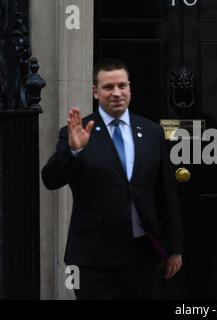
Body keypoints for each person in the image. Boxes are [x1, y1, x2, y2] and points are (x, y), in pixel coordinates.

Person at [42, 58, 183, 299]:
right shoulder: (77, 132)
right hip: (94, 257)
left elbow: (166, 192)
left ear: (130, 88)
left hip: (143, 255)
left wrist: (175, 248)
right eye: (108, 87)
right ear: (95, 92)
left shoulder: (151, 132)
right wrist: (73, 152)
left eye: (122, 86)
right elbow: (51, 179)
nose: (116, 93)